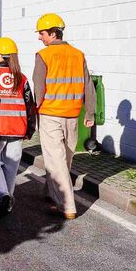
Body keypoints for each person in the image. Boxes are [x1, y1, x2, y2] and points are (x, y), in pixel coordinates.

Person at [33, 13, 96, 220]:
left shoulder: (43, 56)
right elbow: (88, 85)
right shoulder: (79, 54)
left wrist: (36, 110)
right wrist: (89, 112)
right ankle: (51, 193)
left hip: (50, 113)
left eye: (42, 33)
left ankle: (67, 205)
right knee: (65, 158)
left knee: (56, 160)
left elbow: (39, 88)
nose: (40, 37)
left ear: (52, 33)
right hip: (72, 114)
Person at [0, 37, 36, 216]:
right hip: (17, 129)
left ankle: (3, 195)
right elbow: (30, 104)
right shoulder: (22, 78)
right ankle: (7, 200)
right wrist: (30, 128)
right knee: (12, 165)